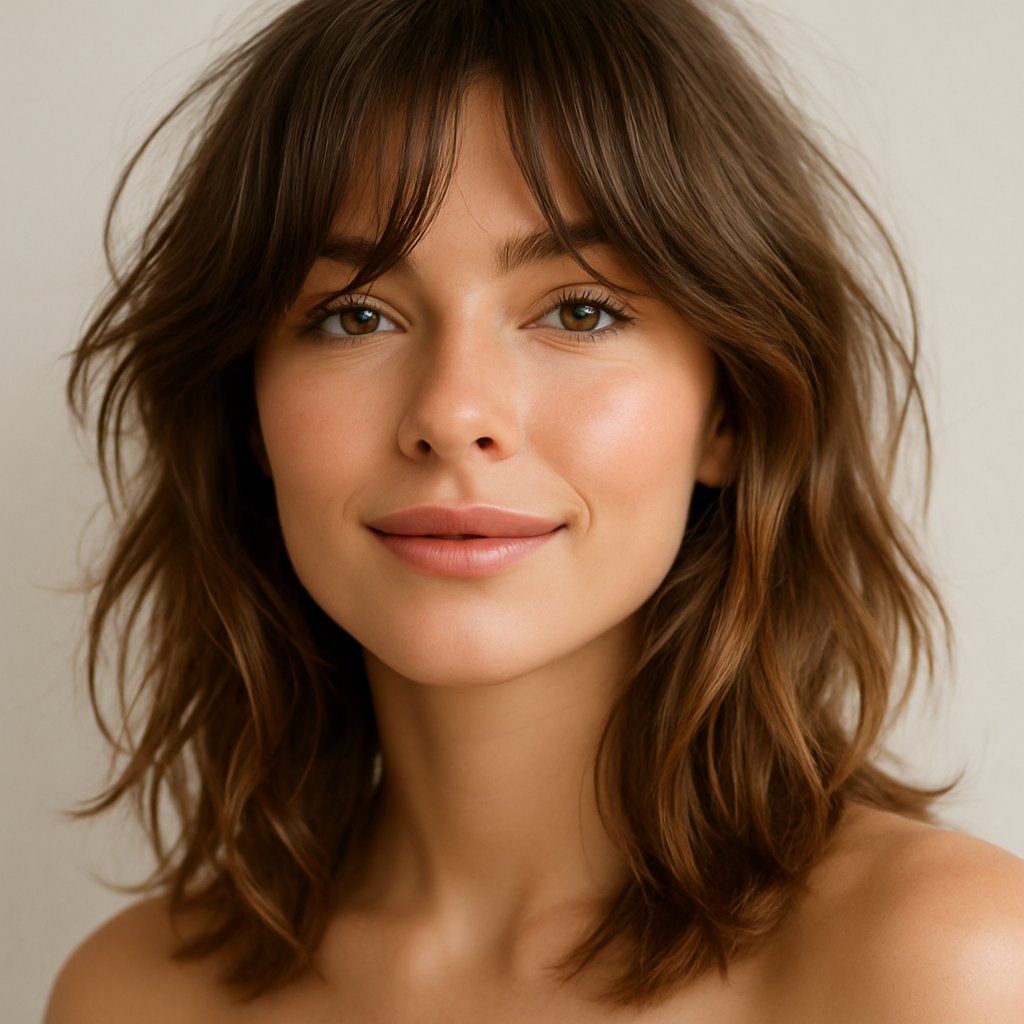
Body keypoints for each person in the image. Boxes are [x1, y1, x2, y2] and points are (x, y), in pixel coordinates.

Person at [45, 0, 1024, 1020]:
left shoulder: (939, 965)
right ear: (245, 408)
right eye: (354, 314)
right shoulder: (134, 995)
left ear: (731, 408)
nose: (453, 414)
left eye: (579, 310)